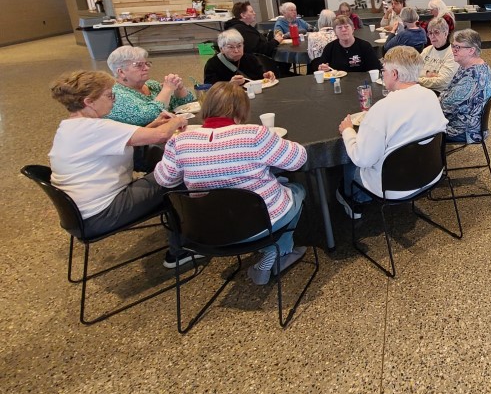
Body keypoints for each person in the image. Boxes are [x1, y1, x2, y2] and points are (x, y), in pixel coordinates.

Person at [154, 82, 309, 285]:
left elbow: (164, 179)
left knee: (273, 187)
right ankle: (278, 250)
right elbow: (298, 159)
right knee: (297, 189)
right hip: (261, 225)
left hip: (206, 229)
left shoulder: (180, 141)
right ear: (242, 109)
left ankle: (272, 250)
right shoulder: (254, 134)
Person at [48, 70, 193, 269]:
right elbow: (161, 136)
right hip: (102, 214)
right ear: (89, 102)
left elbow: (127, 138)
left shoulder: (71, 127)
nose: (114, 100)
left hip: (79, 215)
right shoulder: (96, 128)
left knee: (161, 166)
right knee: (178, 171)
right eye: (109, 95)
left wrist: (154, 124)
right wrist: (176, 120)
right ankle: (181, 250)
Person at [335, 46, 448, 219]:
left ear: (394, 74)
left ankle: (353, 199)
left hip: (394, 187)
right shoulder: (431, 96)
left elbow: (362, 159)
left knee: (349, 158)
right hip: (432, 173)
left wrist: (348, 131)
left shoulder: (382, 108)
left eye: (384, 71)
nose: (383, 75)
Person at [106, 46, 195, 126]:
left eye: (147, 64)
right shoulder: (115, 95)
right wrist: (167, 89)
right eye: (139, 65)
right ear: (121, 72)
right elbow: (148, 117)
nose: (147, 68)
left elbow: (185, 106)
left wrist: (179, 88)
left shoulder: (151, 85)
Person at [440, 29, 491, 143]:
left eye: (458, 47)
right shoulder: (472, 65)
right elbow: (449, 90)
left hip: (465, 130)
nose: (453, 50)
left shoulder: (473, 76)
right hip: (465, 121)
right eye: (453, 46)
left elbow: (447, 106)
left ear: (471, 50)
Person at [309, 15, 381, 73]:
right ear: (335, 32)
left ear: (353, 29)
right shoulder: (330, 47)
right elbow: (322, 66)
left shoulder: (365, 46)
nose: (343, 30)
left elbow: (375, 68)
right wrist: (322, 68)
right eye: (340, 28)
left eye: (346, 26)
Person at [204, 28, 276, 85]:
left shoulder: (250, 59)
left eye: (239, 46)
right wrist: (230, 85)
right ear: (221, 49)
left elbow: (260, 78)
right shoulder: (213, 64)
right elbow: (210, 89)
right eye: (231, 47)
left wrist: (266, 76)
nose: (236, 50)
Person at [419, 18, 458, 91]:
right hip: (421, 89)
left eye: (436, 32)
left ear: (445, 34)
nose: (432, 36)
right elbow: (413, 72)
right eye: (430, 33)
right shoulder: (427, 50)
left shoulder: (453, 53)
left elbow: (443, 82)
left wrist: (417, 80)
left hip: (439, 93)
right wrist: (428, 74)